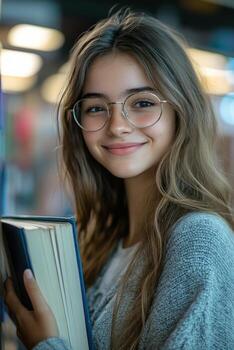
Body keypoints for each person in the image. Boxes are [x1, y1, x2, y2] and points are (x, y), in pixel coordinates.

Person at [4, 8, 234, 350]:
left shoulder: (198, 238)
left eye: (141, 102)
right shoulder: (104, 238)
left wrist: (45, 344)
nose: (117, 125)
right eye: (96, 107)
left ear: (181, 111)